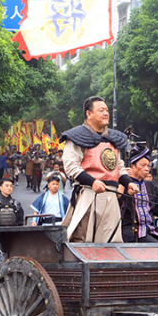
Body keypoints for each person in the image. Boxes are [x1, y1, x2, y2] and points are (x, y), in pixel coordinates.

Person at [61, 96, 136, 243]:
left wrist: (128, 183)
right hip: (89, 193)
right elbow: (70, 166)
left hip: (112, 196)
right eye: (101, 110)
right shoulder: (76, 137)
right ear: (89, 114)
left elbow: (118, 166)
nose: (106, 113)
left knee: (112, 242)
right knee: (83, 241)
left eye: (107, 110)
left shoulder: (112, 138)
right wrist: (92, 182)